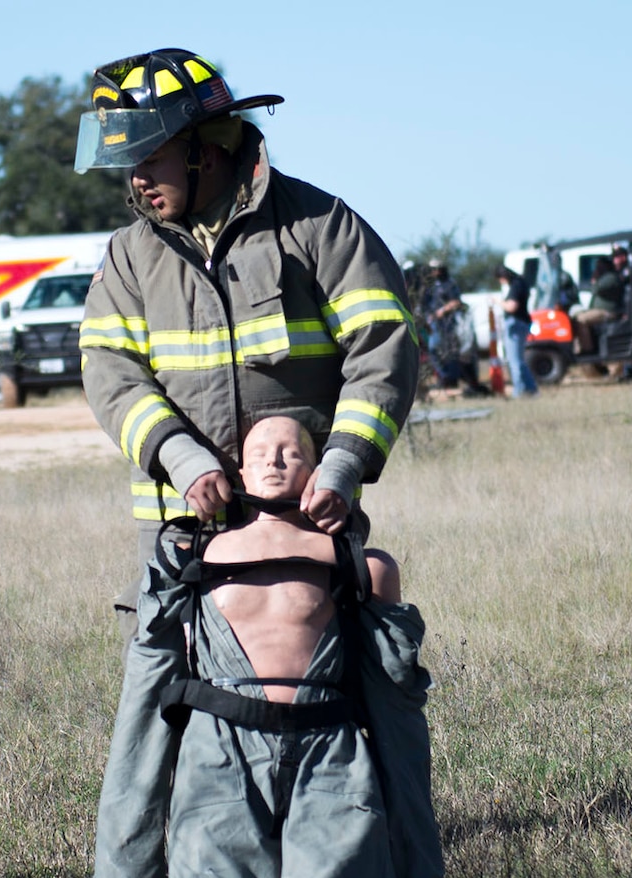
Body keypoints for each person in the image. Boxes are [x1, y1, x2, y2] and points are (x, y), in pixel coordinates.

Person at [75, 48, 418, 582]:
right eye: (130, 163)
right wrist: (181, 458)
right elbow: (110, 374)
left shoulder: (318, 225)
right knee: (165, 667)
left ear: (205, 150)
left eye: (150, 158)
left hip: (305, 518)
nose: (136, 179)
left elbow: (382, 349)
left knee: (349, 661)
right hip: (179, 530)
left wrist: (343, 464)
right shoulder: (128, 256)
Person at [148, 415, 430, 878]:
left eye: (293, 451)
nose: (276, 461)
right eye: (260, 452)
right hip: (219, 747)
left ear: (320, 469)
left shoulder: (355, 561)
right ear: (238, 471)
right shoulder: (194, 555)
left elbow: (395, 678)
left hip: (328, 744)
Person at [418, 260, 488, 395]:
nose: (433, 272)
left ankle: (451, 378)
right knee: (434, 350)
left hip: (448, 324)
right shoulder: (430, 286)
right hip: (433, 323)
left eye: (435, 269)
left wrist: (442, 311)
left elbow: (456, 302)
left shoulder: (450, 284)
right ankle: (445, 377)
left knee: (448, 351)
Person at [571, 246, 628, 356]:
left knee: (581, 320)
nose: (596, 268)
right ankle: (578, 347)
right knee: (575, 316)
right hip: (600, 310)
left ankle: (588, 350)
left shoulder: (610, 277)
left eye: (599, 266)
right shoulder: (605, 277)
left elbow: (595, 289)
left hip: (608, 312)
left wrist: (595, 279)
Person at [494, 265, 538, 397]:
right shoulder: (522, 283)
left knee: (514, 361)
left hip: (515, 324)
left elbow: (511, 307)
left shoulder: (516, 285)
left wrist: (498, 301)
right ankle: (531, 389)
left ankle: (518, 392)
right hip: (523, 323)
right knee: (519, 360)